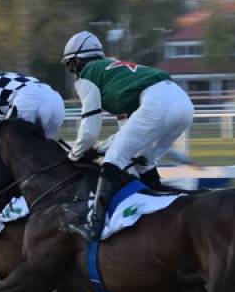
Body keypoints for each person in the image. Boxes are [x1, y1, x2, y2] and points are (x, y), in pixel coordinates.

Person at [63, 31, 194, 241]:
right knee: (143, 161)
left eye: (71, 65)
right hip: (183, 103)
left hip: (158, 102)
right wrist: (100, 147)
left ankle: (94, 224)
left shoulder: (88, 74)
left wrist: (74, 155)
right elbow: (127, 134)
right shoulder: (115, 75)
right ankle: (160, 208)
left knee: (114, 159)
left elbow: (89, 130)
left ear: (77, 61)